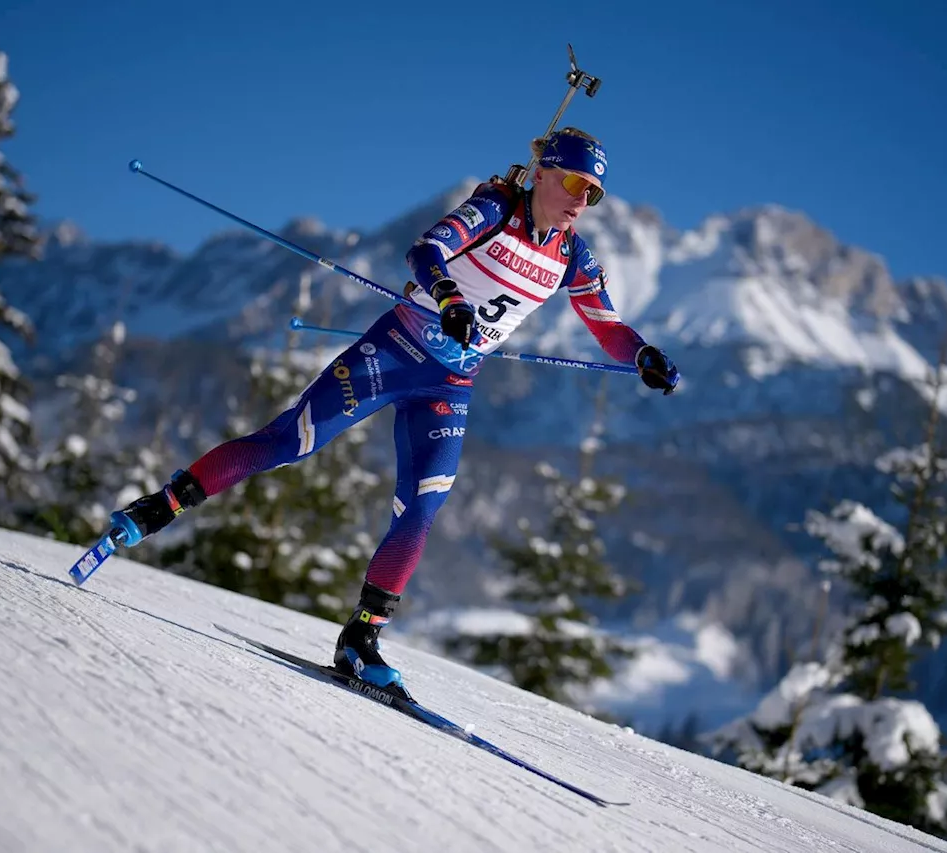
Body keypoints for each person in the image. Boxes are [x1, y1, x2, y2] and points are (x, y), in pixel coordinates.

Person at [110, 127, 680, 698]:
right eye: (578, 183)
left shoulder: (571, 254)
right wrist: (451, 298)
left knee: (423, 506)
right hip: (394, 351)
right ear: (543, 173)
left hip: (451, 384)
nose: (584, 200)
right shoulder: (495, 207)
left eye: (595, 193)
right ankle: (160, 505)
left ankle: (361, 640)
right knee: (290, 442)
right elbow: (424, 251)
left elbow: (606, 326)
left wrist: (643, 355)